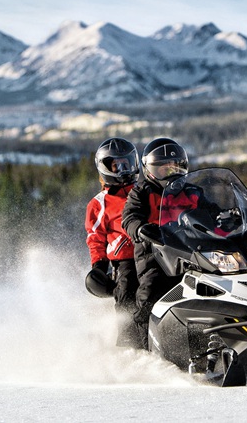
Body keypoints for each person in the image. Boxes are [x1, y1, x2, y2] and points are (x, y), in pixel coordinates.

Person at [121, 137, 191, 350]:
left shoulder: (190, 192)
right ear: (150, 170)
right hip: (154, 254)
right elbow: (129, 217)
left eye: (175, 167)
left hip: (189, 253)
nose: (171, 172)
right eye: (164, 168)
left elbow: (211, 211)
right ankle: (143, 348)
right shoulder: (141, 192)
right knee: (150, 293)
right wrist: (140, 228)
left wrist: (232, 217)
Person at [84, 137, 141, 348]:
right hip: (126, 260)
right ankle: (129, 344)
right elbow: (95, 237)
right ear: (105, 168)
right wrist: (99, 266)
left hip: (157, 252)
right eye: (117, 165)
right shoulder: (99, 203)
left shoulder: (144, 193)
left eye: (127, 163)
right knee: (127, 295)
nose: (124, 170)